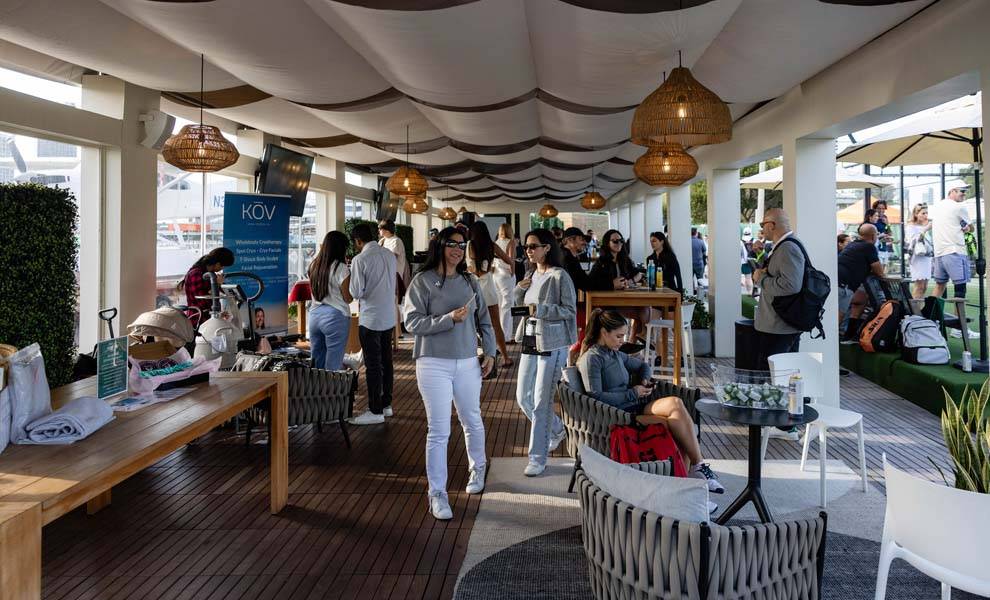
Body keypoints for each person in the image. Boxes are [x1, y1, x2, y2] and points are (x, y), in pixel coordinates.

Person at [577, 309, 723, 499]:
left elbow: (643, 366)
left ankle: (697, 468)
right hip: (619, 415)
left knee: (676, 404)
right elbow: (595, 397)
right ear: (604, 332)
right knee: (676, 427)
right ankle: (688, 488)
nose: (622, 340)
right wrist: (632, 393)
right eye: (618, 336)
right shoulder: (592, 359)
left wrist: (645, 381)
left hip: (635, 404)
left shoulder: (615, 354)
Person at [403, 227, 496, 520]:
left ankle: (478, 468)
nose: (457, 249)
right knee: (439, 430)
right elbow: (411, 322)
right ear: (439, 246)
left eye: (462, 244)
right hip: (432, 363)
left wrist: (491, 352)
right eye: (452, 244)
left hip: (468, 361)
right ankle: (437, 494)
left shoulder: (469, 280)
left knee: (472, 420)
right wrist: (448, 319)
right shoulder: (423, 281)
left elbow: (485, 320)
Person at [514, 229, 576, 476]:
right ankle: (558, 429)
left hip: (553, 342)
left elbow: (569, 311)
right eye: (526, 247)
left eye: (532, 246)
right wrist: (519, 291)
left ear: (547, 247)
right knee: (523, 397)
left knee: (541, 401)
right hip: (530, 339)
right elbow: (521, 307)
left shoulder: (560, 276)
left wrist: (540, 309)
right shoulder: (530, 274)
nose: (528, 251)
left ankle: (537, 457)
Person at [348, 223, 397, 425]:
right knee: (386, 362)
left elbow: (356, 292)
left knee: (373, 365)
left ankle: (374, 410)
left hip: (370, 319)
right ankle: (386, 406)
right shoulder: (388, 255)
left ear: (358, 241)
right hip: (388, 316)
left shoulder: (360, 260)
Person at [752, 208, 805, 368]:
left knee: (774, 378)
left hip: (779, 327)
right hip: (778, 325)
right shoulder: (782, 247)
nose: (761, 229)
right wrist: (761, 258)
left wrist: (760, 279)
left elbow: (790, 285)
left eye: (763, 224)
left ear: (772, 225)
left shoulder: (788, 248)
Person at [467, 221, 513, 366]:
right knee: (495, 323)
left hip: (473, 286)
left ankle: (474, 356)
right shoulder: (492, 245)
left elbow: (473, 269)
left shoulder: (470, 245)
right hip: (489, 286)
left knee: (472, 323)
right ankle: (505, 357)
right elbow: (509, 260)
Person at [590, 229, 647, 339]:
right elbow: (592, 283)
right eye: (615, 241)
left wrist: (631, 281)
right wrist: (612, 284)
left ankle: (638, 339)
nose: (619, 243)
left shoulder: (624, 260)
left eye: (621, 241)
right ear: (607, 243)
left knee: (644, 308)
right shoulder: (601, 262)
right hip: (608, 303)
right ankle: (637, 339)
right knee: (642, 312)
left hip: (623, 299)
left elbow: (638, 274)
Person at [307, 231, 352, 371]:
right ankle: (333, 393)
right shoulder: (342, 268)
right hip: (335, 317)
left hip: (314, 315)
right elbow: (347, 298)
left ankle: (315, 391)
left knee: (317, 361)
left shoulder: (314, 265)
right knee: (333, 365)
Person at [837, 224, 884, 338]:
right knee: (838, 316)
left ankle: (850, 334)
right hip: (845, 285)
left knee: (860, 300)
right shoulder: (869, 247)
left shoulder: (852, 245)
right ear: (873, 236)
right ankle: (831, 342)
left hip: (838, 280)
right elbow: (879, 271)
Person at [930, 181, 973, 301]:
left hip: (939, 253)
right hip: (955, 251)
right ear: (952, 191)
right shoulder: (959, 207)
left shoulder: (937, 206)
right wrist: (967, 228)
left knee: (939, 286)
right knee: (960, 290)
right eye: (962, 191)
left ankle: (930, 316)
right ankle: (960, 319)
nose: (964, 194)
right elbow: (972, 227)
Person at [178, 247, 234, 326]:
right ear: (218, 264)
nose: (222, 269)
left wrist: (219, 313)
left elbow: (217, 293)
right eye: (223, 266)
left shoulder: (210, 274)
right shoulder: (196, 274)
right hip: (198, 321)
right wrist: (217, 284)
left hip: (208, 319)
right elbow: (202, 301)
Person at [493, 223, 518, 345]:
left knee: (498, 305)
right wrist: (513, 273)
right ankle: (506, 336)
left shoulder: (496, 242)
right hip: (506, 274)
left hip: (495, 274)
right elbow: (510, 259)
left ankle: (498, 335)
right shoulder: (511, 242)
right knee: (507, 306)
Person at [905, 204, 933, 299]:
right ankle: (914, 310)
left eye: (927, 213)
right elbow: (913, 242)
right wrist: (925, 229)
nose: (926, 215)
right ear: (916, 214)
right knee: (919, 286)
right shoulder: (911, 226)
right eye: (923, 213)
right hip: (917, 258)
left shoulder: (925, 226)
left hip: (926, 258)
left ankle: (919, 309)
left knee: (924, 286)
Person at [378, 220, 411, 294]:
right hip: (385, 275)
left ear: (386, 230)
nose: (379, 230)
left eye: (380, 228)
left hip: (395, 275)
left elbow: (391, 258)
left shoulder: (396, 241)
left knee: (394, 297)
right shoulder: (382, 241)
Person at [872, 200, 894, 268]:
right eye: (879, 208)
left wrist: (887, 224)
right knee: (878, 272)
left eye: (883, 208)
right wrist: (880, 236)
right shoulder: (873, 219)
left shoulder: (885, 218)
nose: (881, 210)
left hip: (884, 248)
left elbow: (890, 233)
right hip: (875, 248)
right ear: (875, 209)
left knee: (883, 271)